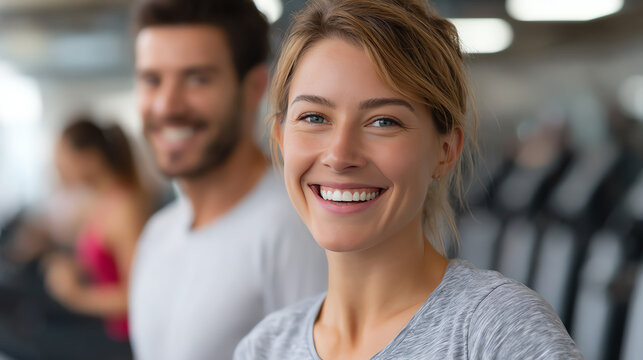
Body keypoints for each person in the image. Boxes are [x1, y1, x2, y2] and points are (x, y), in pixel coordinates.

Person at [234, 0, 584, 359]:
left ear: (445, 151)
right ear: (280, 137)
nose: (339, 156)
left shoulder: (496, 332)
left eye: (384, 121)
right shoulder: (265, 347)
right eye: (314, 117)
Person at [128, 0, 328, 359]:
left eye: (197, 78)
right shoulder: (157, 234)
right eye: (152, 80)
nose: (166, 106)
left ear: (253, 88)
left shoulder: (296, 227)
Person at [46, 117, 149, 342]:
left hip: (128, 339)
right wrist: (72, 267)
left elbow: (136, 295)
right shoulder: (99, 202)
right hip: (109, 330)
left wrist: (77, 296)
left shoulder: (123, 208)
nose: (56, 165)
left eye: (62, 156)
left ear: (90, 158)